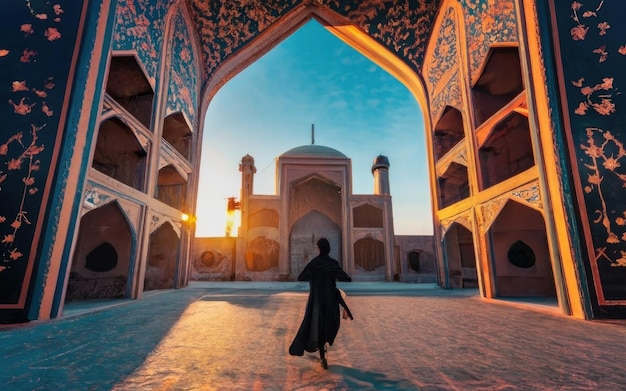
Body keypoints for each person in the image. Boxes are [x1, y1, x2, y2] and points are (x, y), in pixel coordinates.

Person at [289, 237, 352, 369]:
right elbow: (345, 277)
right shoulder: (332, 263)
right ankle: (323, 353)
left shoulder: (315, 263)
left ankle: (322, 354)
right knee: (328, 325)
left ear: (319, 248)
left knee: (320, 325)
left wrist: (315, 274)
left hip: (318, 302)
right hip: (330, 301)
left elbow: (302, 277)